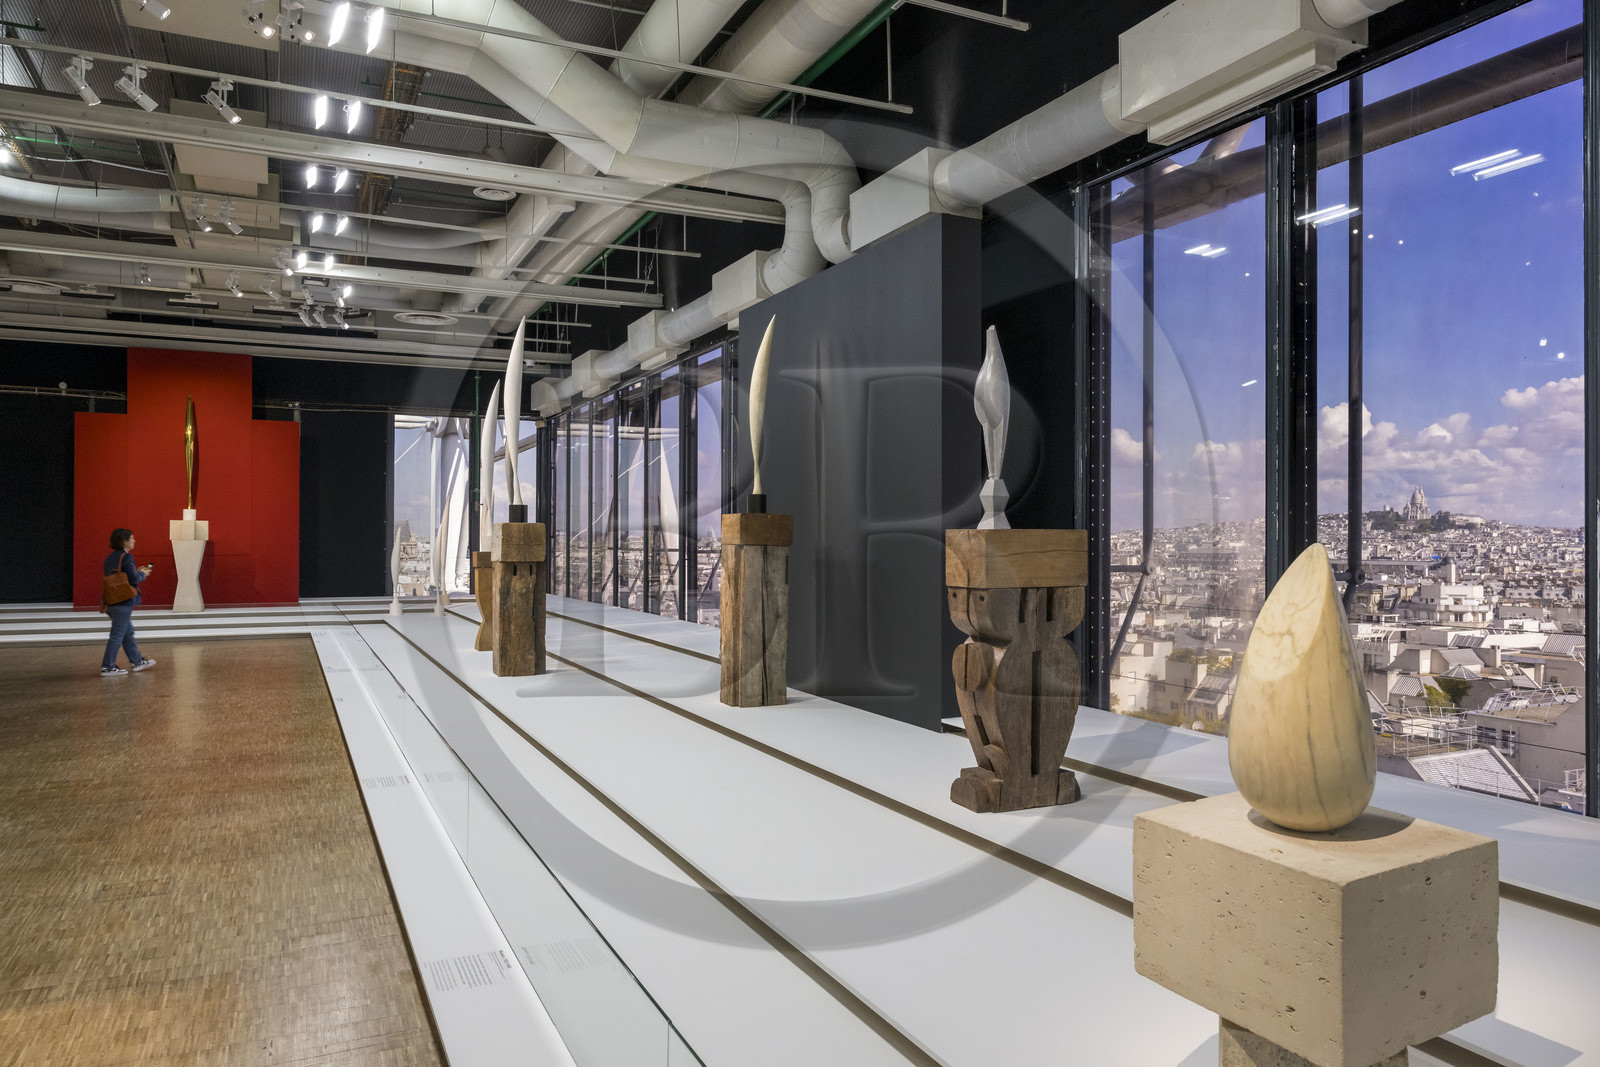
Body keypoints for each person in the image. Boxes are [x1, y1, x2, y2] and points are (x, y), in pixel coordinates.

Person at [101, 528, 156, 677]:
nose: (134, 541)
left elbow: (120, 577)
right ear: (125, 541)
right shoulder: (126, 557)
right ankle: (108, 666)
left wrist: (136, 571)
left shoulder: (110, 558)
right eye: (132, 538)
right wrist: (143, 574)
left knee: (127, 632)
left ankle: (136, 661)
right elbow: (133, 579)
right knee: (118, 634)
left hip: (112, 600)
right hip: (123, 602)